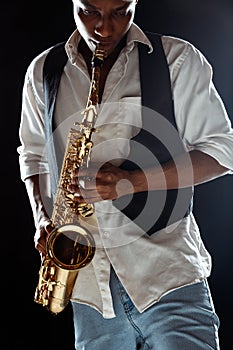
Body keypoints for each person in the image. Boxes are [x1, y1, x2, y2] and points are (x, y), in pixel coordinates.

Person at [17, 0, 233, 349]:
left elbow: (222, 151)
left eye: (120, 11)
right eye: (90, 12)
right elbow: (33, 155)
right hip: (89, 295)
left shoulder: (177, 58)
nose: (104, 28)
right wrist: (41, 218)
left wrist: (133, 181)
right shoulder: (43, 70)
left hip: (168, 277)